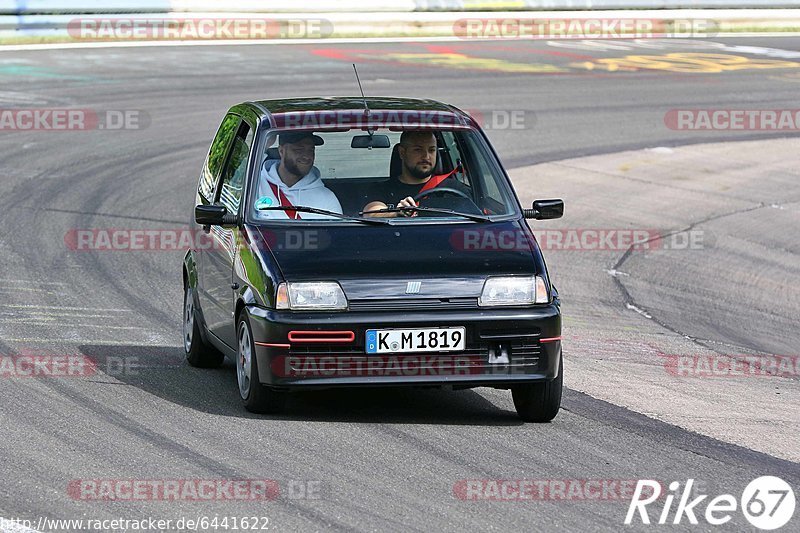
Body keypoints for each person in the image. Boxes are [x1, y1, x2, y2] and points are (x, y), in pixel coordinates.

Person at [362, 130, 470, 218]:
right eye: (418, 150)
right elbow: (370, 213)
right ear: (402, 153)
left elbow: (475, 219)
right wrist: (396, 213)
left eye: (431, 150)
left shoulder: (455, 189)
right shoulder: (381, 189)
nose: (426, 157)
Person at [254, 132, 342, 219]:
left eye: (311, 150)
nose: (307, 156)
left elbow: (336, 233)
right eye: (299, 150)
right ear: (281, 151)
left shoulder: (327, 198)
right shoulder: (256, 186)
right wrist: (264, 145)